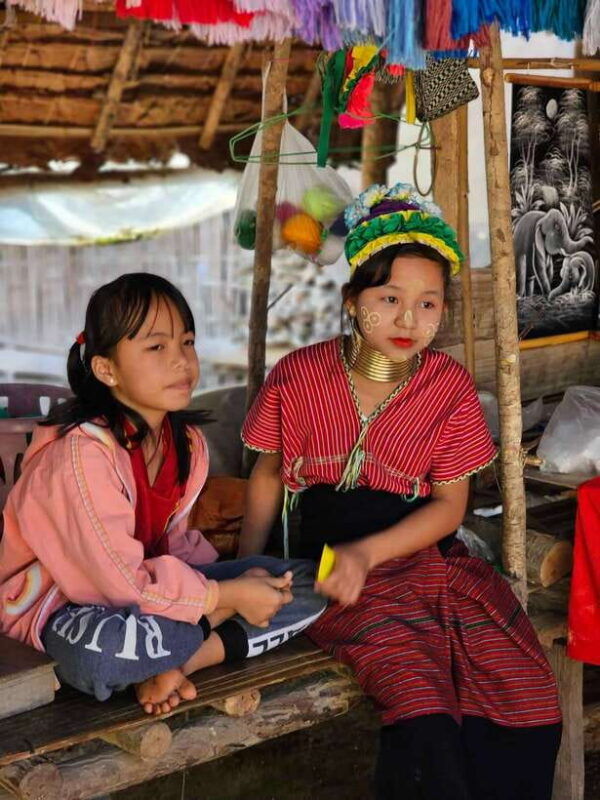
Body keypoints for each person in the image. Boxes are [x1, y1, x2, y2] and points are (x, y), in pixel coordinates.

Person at [238, 185, 562, 799]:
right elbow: (268, 476)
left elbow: (450, 506)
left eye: (427, 304)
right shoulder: (300, 376)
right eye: (389, 299)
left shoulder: (448, 388)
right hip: (330, 569)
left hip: (427, 560)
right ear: (352, 301)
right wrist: (245, 571)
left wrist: (371, 553)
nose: (409, 320)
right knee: (420, 699)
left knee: (522, 689)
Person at [0, 273, 325, 715]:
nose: (181, 361)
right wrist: (224, 598)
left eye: (187, 342)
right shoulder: (81, 457)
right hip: (65, 610)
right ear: (106, 369)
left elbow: (174, 547)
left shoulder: (185, 442)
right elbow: (119, 587)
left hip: (152, 602)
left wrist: (231, 582)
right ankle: (191, 640)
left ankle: (181, 663)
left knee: (306, 582)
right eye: (157, 347)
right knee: (106, 657)